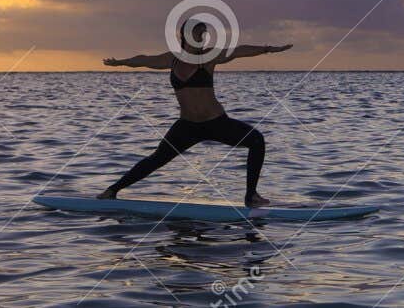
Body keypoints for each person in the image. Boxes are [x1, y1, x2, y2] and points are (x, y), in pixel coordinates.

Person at [99, 22, 291, 207]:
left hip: (216, 123)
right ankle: (112, 190)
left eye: (203, 34)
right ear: (186, 35)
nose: (202, 37)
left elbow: (238, 51)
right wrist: (121, 62)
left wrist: (267, 49)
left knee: (256, 141)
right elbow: (144, 59)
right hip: (187, 126)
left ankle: (251, 196)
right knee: (156, 159)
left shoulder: (208, 57)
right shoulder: (172, 59)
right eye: (198, 33)